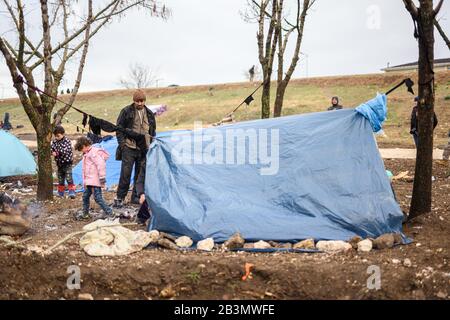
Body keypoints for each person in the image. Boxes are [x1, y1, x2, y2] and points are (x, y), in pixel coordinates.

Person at [114, 89, 156, 207]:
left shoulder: (149, 114)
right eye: (137, 101)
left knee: (140, 174)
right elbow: (119, 129)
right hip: (129, 147)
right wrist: (122, 145)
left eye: (141, 101)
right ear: (134, 101)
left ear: (144, 101)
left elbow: (153, 131)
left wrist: (151, 145)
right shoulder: (126, 111)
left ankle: (136, 197)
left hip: (144, 149)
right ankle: (120, 198)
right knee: (125, 174)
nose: (139, 103)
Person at [74, 137, 113, 220]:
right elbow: (85, 170)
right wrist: (85, 182)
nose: (82, 151)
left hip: (95, 180)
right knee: (85, 197)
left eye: (81, 149)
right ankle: (85, 214)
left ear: (85, 146)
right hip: (89, 181)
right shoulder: (87, 154)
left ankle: (110, 212)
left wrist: (102, 177)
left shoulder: (93, 152)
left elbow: (101, 164)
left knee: (98, 198)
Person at [51, 125, 76, 199]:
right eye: (55, 136)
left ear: (63, 134)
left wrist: (57, 152)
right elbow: (51, 148)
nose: (56, 137)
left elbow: (66, 150)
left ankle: (72, 191)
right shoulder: (55, 142)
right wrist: (52, 152)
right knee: (60, 179)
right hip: (59, 164)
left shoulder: (67, 141)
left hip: (67, 163)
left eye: (58, 136)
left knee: (69, 178)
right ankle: (61, 192)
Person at [134, 158, 152, 225]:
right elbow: (140, 181)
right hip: (152, 193)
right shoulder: (147, 163)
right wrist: (141, 194)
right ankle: (142, 217)